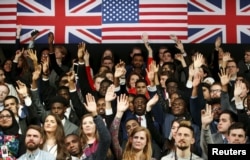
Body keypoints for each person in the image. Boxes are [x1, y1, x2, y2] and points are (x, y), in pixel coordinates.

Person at [79, 93, 111, 160]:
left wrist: (94, 113)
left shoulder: (101, 142)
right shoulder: (78, 144)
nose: (87, 125)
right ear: (82, 127)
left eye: (91, 123)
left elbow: (106, 138)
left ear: (96, 125)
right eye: (84, 123)